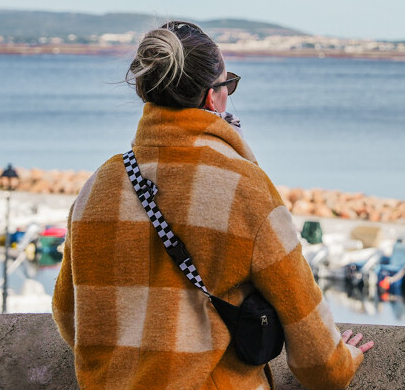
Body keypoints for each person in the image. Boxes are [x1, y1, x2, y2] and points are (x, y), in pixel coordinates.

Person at [53, 21, 374, 390]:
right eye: (228, 83)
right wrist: (343, 360)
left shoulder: (100, 183)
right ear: (211, 97)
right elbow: (316, 353)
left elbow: (69, 316)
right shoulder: (244, 187)